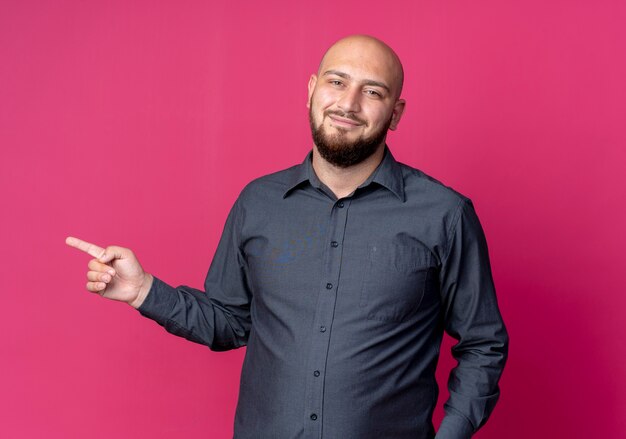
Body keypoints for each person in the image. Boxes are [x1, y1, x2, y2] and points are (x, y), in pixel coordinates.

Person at [67, 35, 508, 439]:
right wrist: (142, 290)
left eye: (372, 91)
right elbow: (231, 322)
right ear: (312, 89)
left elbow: (484, 344)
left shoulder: (445, 215)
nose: (348, 103)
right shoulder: (258, 203)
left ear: (395, 113)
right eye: (337, 82)